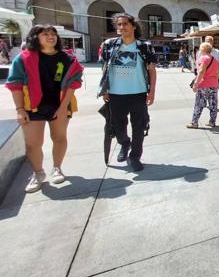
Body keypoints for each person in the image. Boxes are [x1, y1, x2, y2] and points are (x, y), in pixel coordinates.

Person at [6, 25, 84, 193]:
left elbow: (74, 83)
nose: (51, 36)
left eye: (53, 34)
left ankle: (57, 168)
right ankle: (38, 173)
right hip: (32, 107)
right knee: (33, 144)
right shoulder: (24, 58)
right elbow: (15, 84)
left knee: (59, 137)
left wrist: (63, 108)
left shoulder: (68, 59)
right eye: (45, 34)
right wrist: (20, 109)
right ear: (36, 38)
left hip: (60, 105)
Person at [98, 14, 157, 172]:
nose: (122, 27)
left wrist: (151, 92)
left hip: (138, 93)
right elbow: (105, 67)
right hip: (116, 94)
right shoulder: (109, 44)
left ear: (134, 26)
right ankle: (125, 143)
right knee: (118, 126)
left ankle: (135, 156)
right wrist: (105, 89)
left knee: (139, 126)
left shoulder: (144, 46)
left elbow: (152, 70)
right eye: (119, 25)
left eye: (125, 24)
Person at [187, 42, 219, 128]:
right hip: (213, 84)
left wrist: (196, 84)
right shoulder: (215, 60)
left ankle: (194, 122)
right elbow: (217, 73)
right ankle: (212, 122)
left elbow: (201, 72)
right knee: (213, 104)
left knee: (199, 103)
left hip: (204, 84)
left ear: (203, 50)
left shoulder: (203, 59)